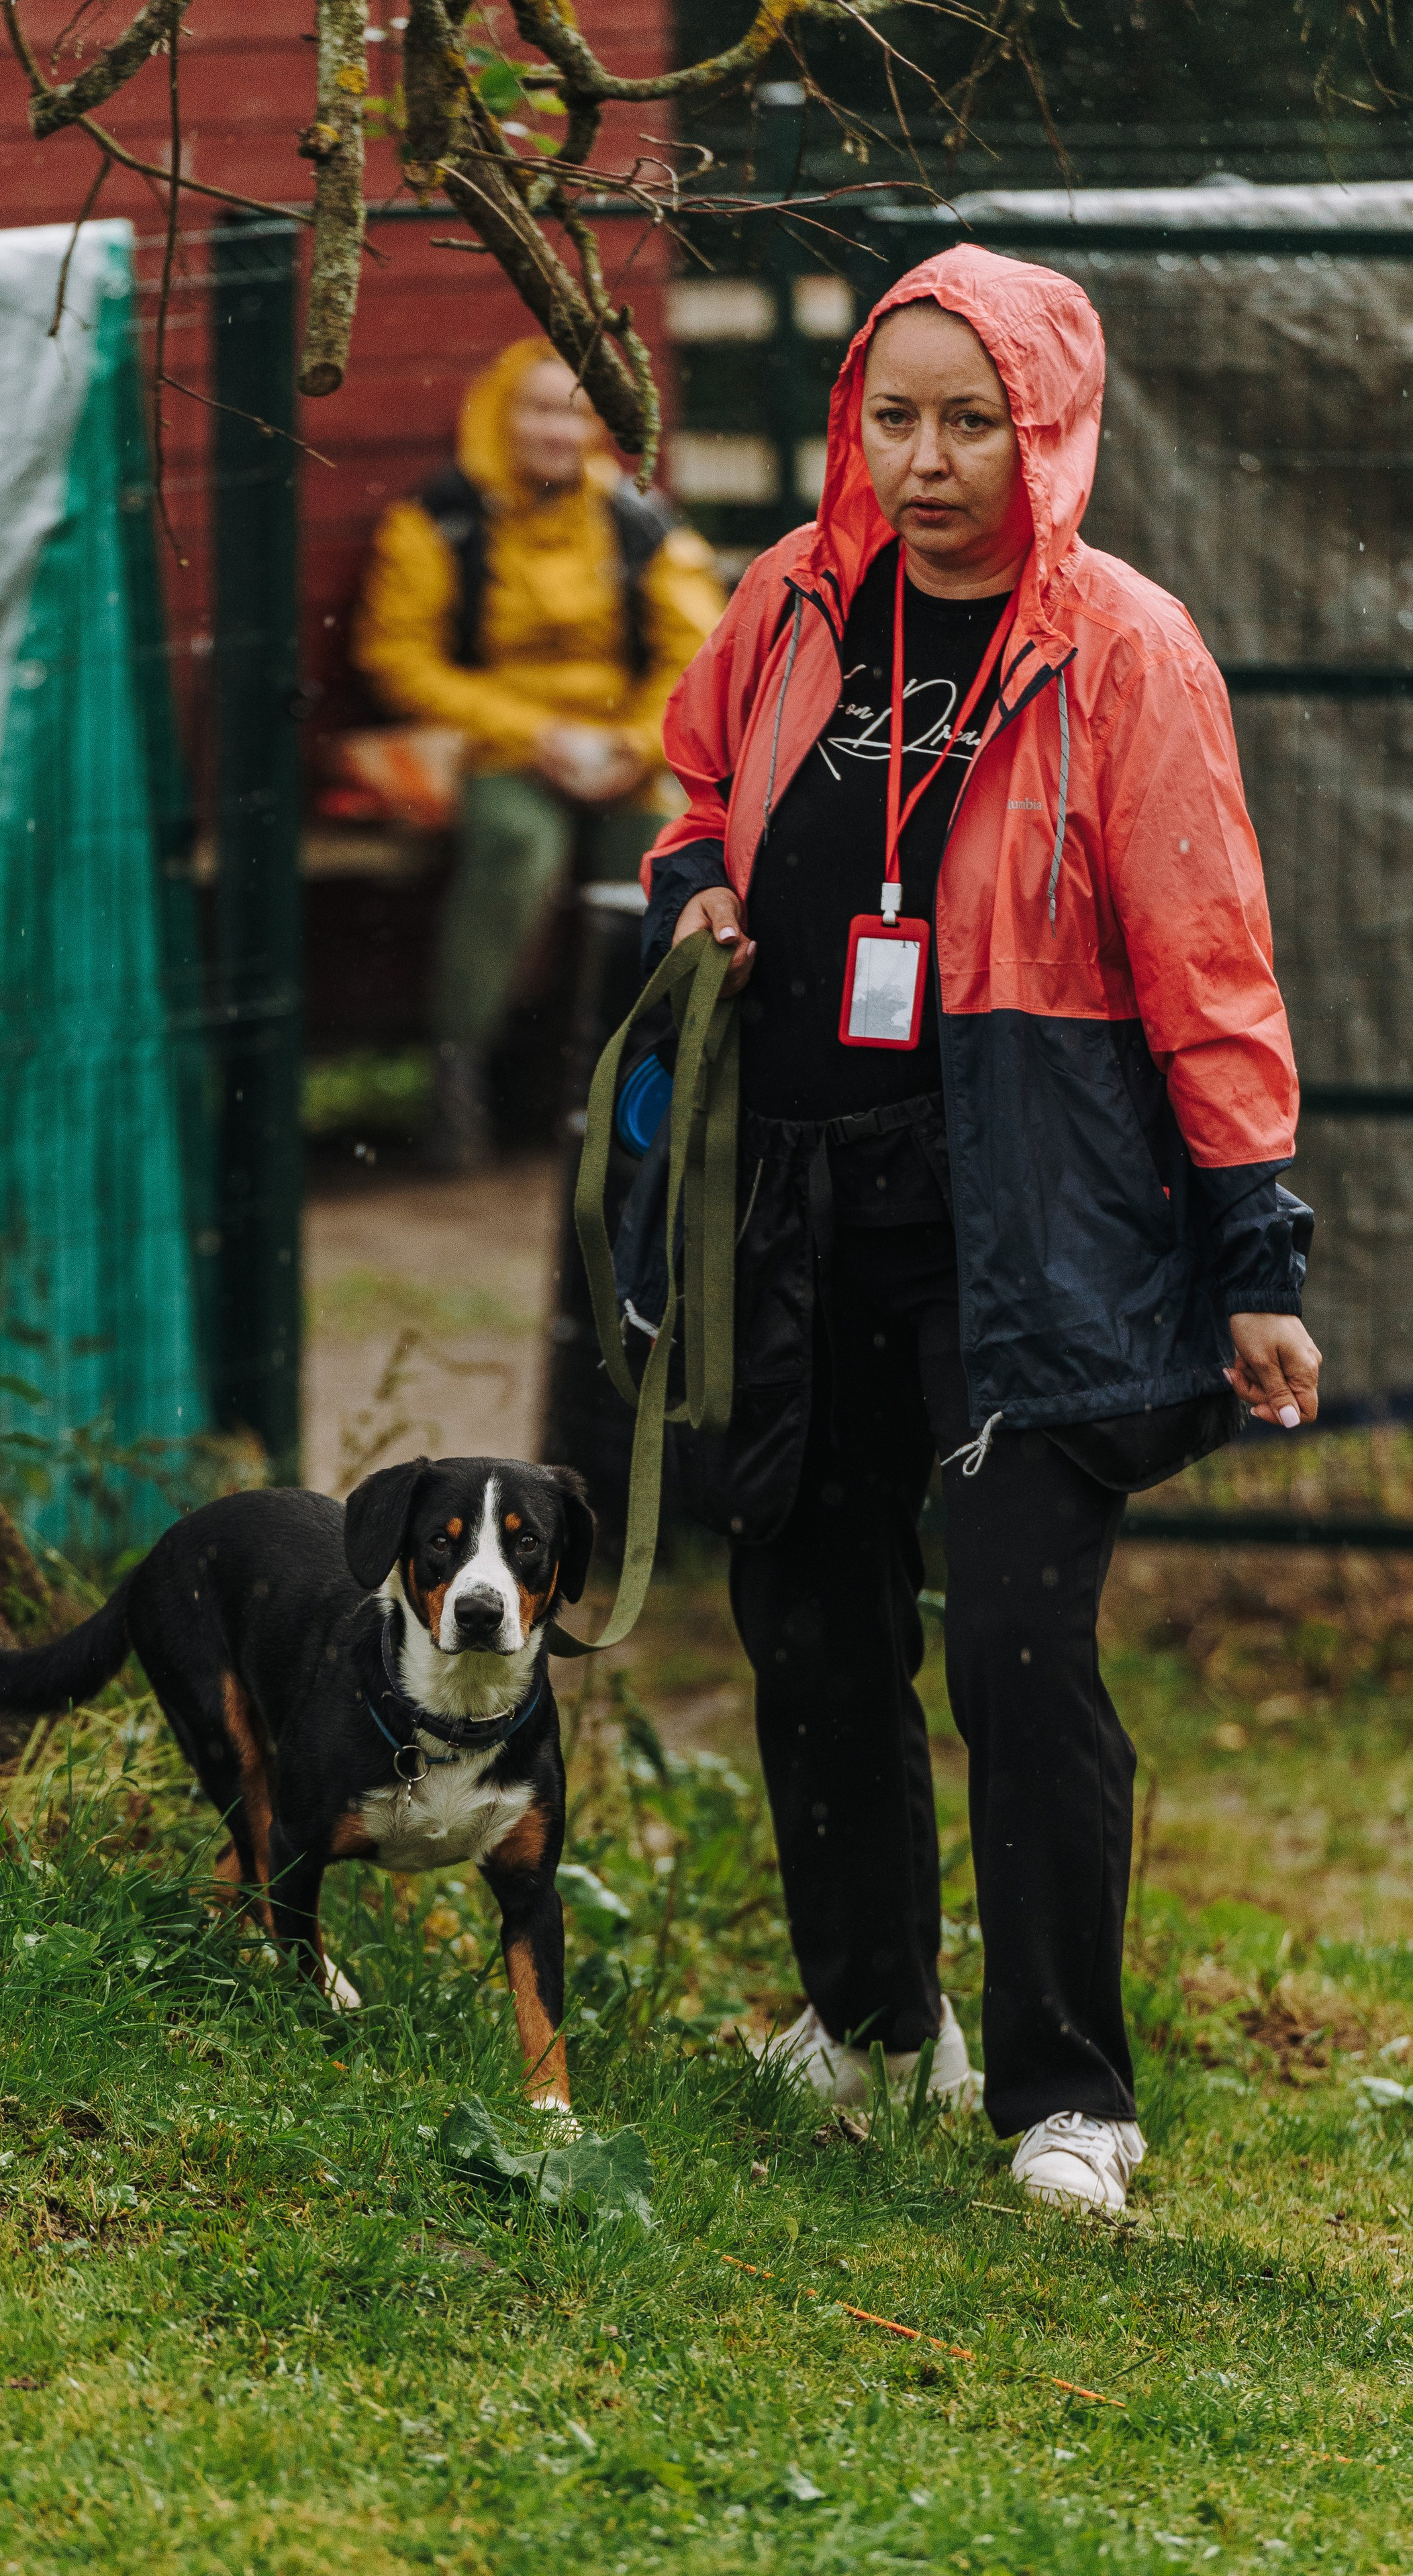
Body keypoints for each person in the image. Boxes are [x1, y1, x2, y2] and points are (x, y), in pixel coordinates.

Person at [640, 245, 1320, 2214]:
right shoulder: (786, 603)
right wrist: (695, 880)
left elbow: (1210, 960)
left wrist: (1252, 1254)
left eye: (973, 422)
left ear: (1050, 430)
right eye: (895, 417)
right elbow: (696, 774)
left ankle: (1064, 2099)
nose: (928, 461)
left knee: (1018, 1643)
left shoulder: (1123, 646)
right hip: (796, 1209)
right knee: (805, 1608)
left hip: (1026, 1225)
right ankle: (868, 2016)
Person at [354, 338, 723, 1167]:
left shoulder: (637, 518)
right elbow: (396, 655)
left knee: (661, 858)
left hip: (622, 752)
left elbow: (694, 649)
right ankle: (460, 1081)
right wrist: (536, 736)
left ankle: (642, 1080)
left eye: (574, 412)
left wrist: (633, 743)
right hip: (498, 752)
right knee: (518, 848)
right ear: (498, 413)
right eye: (538, 408)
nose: (556, 431)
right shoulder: (440, 517)